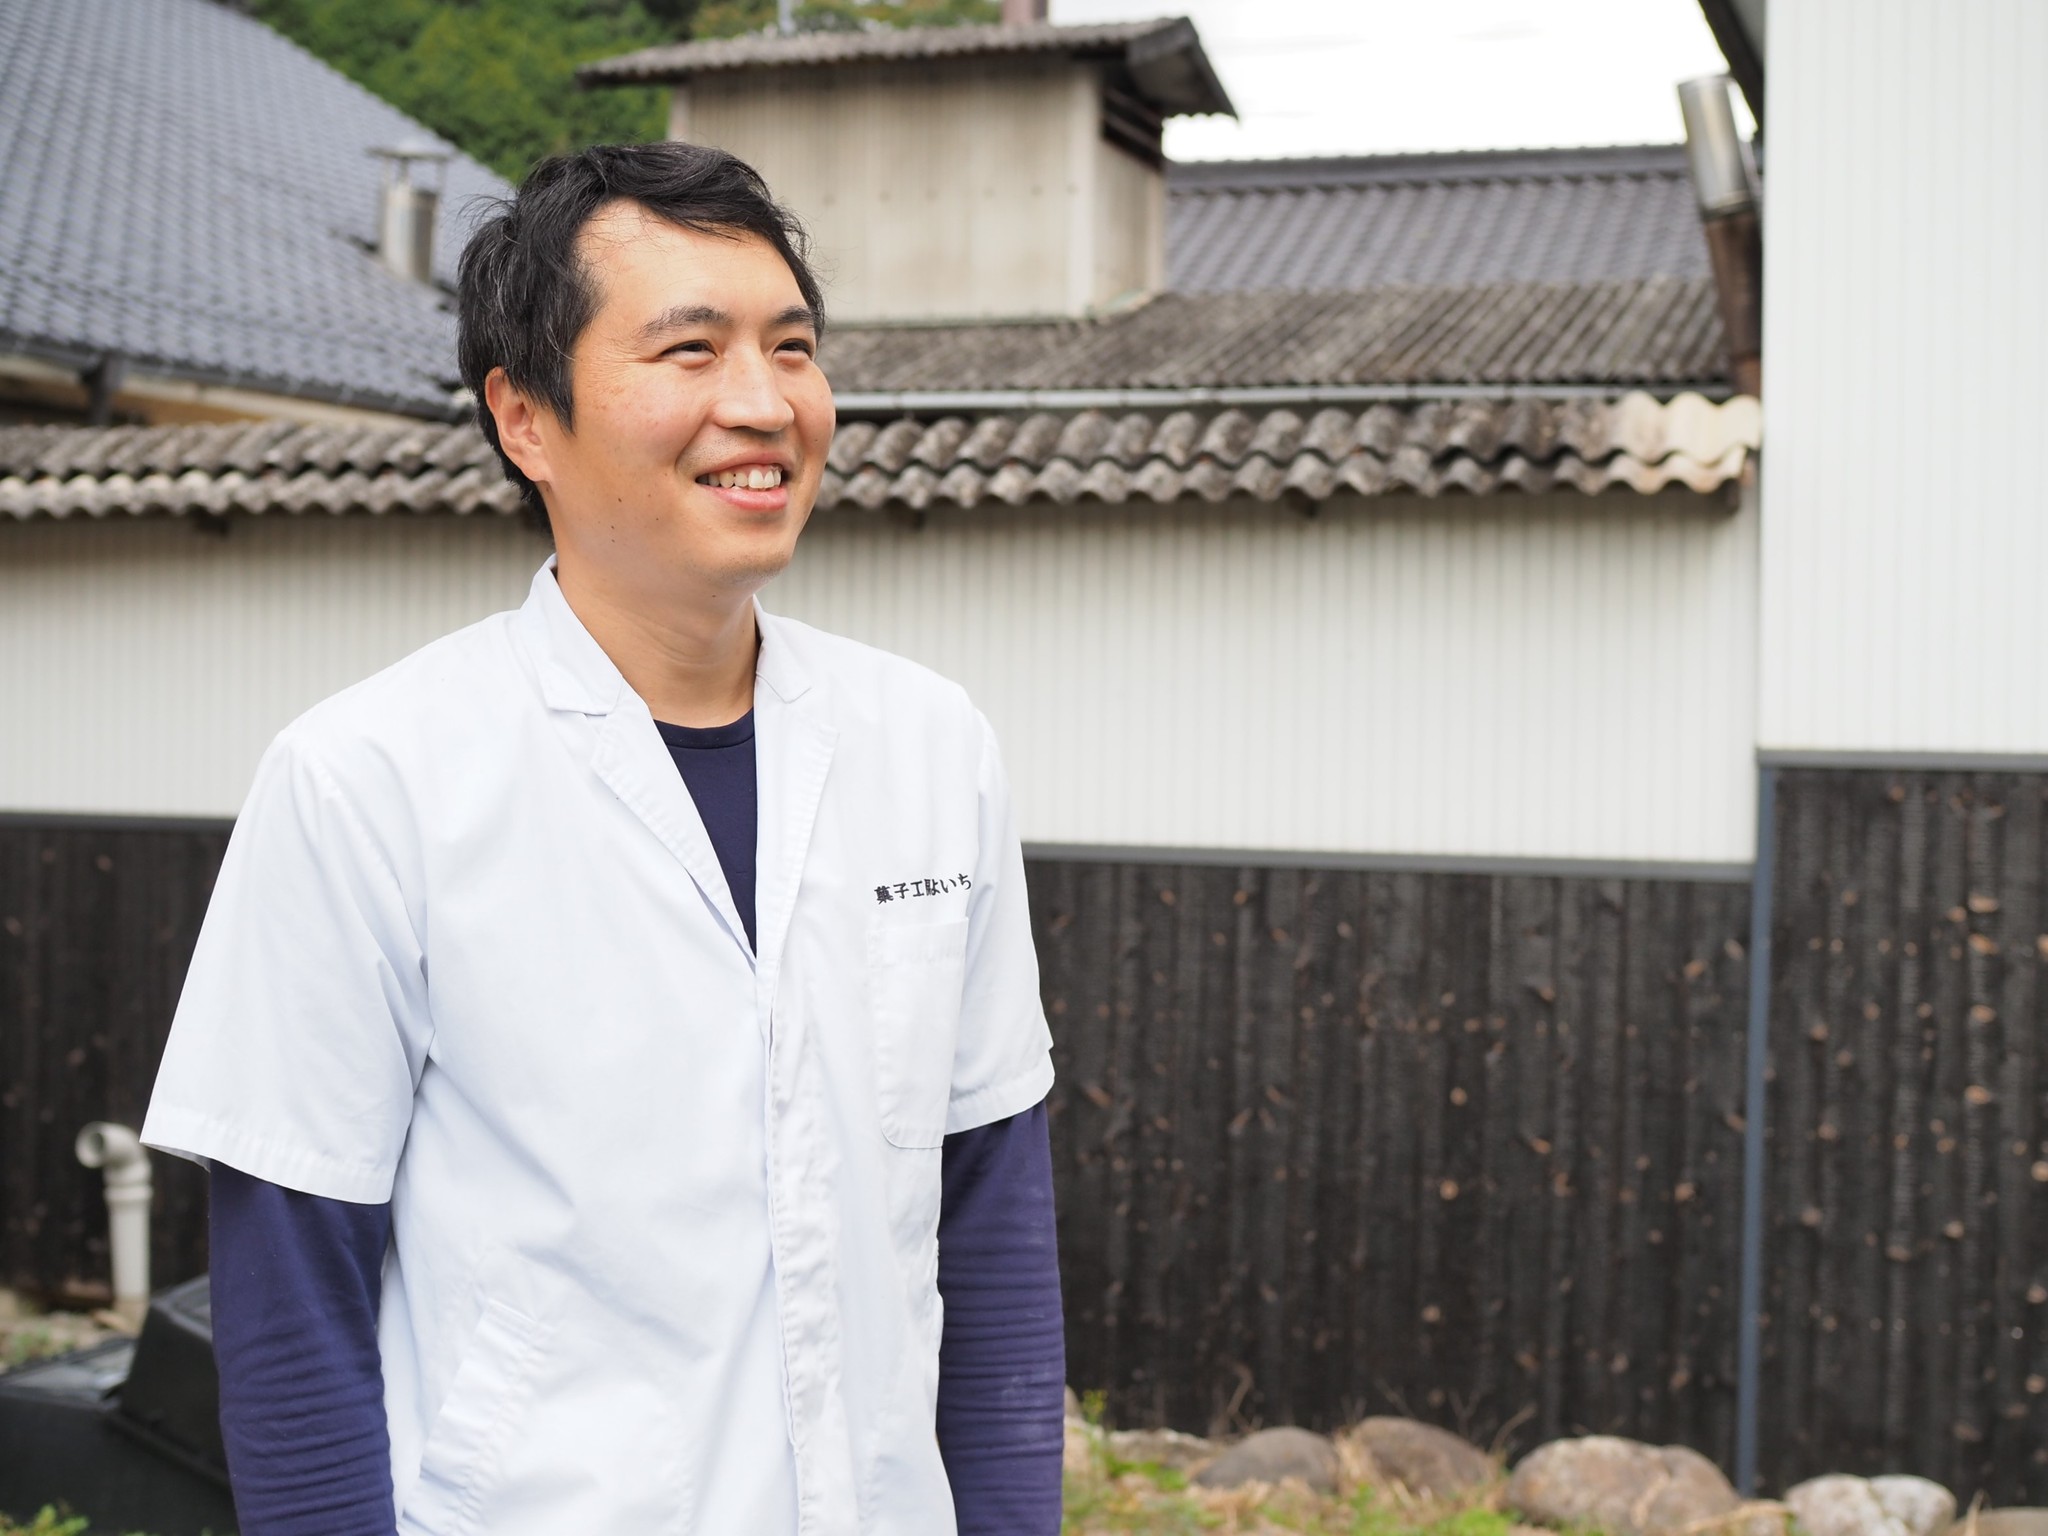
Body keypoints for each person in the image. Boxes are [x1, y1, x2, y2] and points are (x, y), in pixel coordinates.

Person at [141, 142, 1065, 1535]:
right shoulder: (368, 780)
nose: (764, 403)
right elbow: (291, 1304)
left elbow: (991, 1221)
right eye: (691, 350)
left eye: (791, 346)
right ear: (524, 416)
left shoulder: (931, 747)